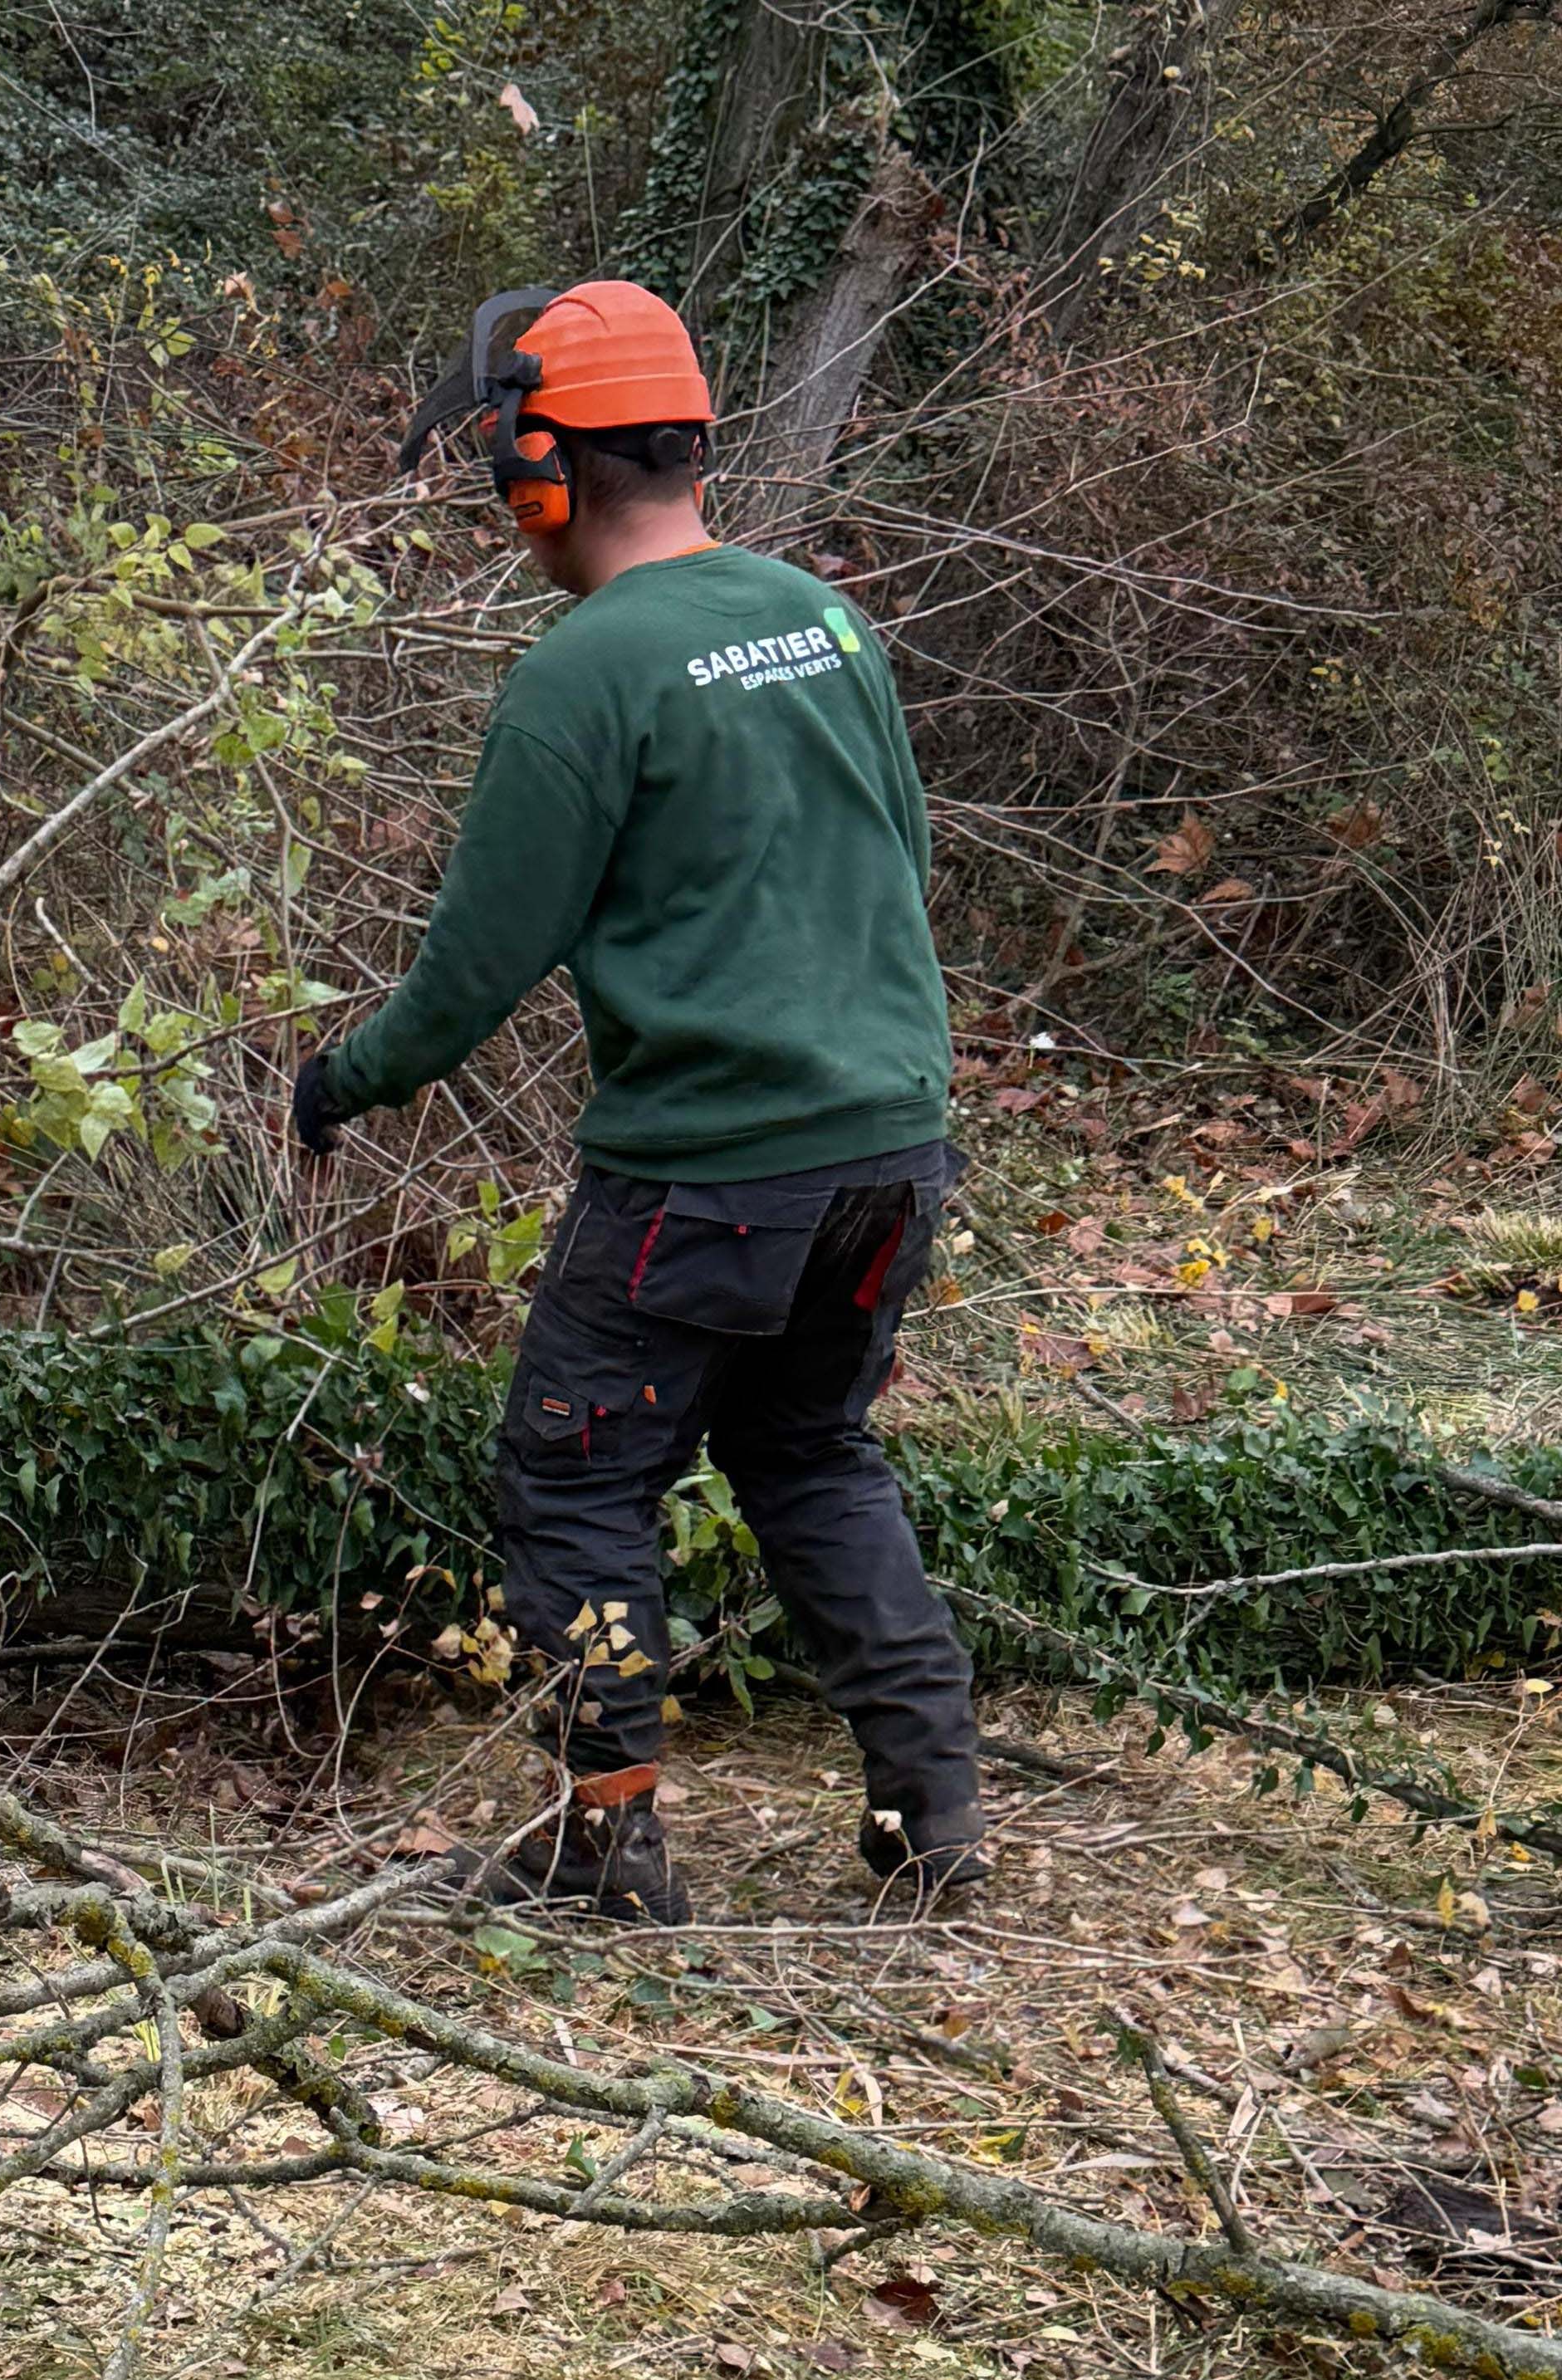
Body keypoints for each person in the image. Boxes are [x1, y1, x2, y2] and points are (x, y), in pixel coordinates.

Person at [291, 282, 982, 1923]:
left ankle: (608, 1845)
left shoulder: (586, 672)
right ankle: (933, 1817)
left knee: (573, 1478)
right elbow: (904, 856)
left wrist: (345, 1077)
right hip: (890, 1144)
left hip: (706, 1170)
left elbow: (477, 965)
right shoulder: (824, 621)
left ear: (545, 466)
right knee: (809, 1450)